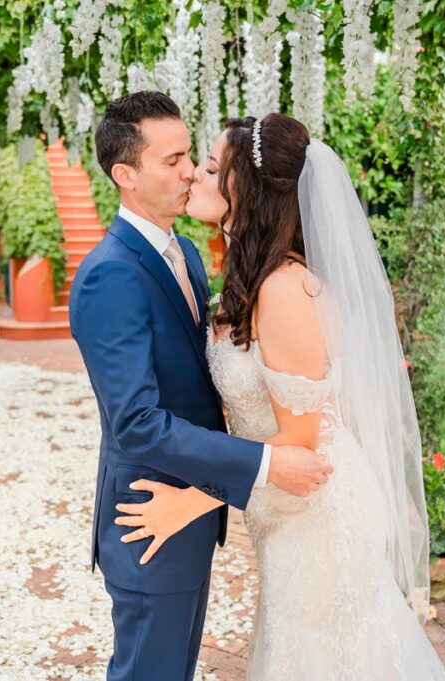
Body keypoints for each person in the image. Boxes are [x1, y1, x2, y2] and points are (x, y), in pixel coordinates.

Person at [115, 114, 445, 679]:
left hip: (317, 510)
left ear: (252, 191)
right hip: (284, 515)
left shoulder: (284, 288)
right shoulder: (247, 274)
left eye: (214, 167)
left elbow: (297, 446)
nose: (195, 174)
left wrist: (188, 502)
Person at [68, 93, 332, 681]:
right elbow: (136, 422)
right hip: (151, 518)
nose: (190, 171)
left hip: (190, 512)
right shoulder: (110, 275)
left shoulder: (184, 252)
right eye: (175, 159)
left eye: (193, 155)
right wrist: (262, 464)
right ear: (126, 175)